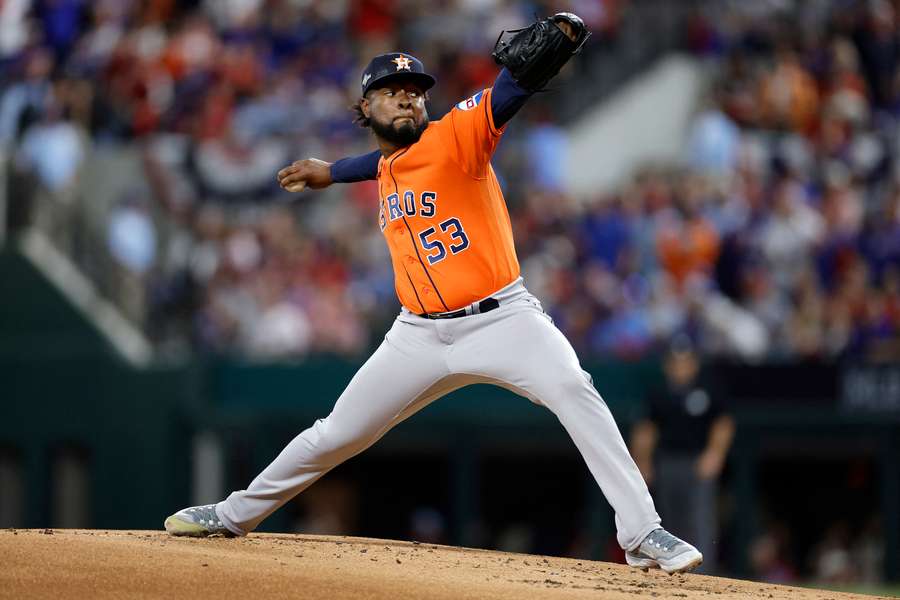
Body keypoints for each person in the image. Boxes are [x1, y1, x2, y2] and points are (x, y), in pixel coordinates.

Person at [165, 13, 704, 574]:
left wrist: (556, 45)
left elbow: (506, 93)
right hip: (417, 334)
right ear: (365, 108)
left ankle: (642, 533)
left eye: (414, 92)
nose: (406, 100)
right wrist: (332, 171)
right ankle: (232, 515)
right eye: (391, 92)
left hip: (502, 320)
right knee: (336, 434)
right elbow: (381, 163)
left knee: (574, 389)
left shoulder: (457, 136)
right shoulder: (387, 163)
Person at [630, 336, 734, 574]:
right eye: (676, 362)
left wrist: (714, 455)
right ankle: (673, 569)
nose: (680, 367)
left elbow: (723, 423)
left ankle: (704, 573)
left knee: (700, 520)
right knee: (668, 519)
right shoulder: (659, 393)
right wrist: (643, 462)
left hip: (697, 462)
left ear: (694, 363)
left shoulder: (707, 389)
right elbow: (646, 429)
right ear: (668, 365)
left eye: (685, 362)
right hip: (667, 462)